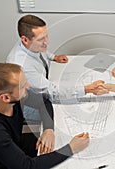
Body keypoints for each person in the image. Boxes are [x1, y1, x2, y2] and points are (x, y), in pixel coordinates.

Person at [6, 14, 106, 155]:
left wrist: (54, 57)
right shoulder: (23, 65)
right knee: (68, 116)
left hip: (42, 91)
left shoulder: (28, 45)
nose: (47, 42)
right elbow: (52, 92)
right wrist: (87, 89)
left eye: (46, 36)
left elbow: (40, 52)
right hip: (27, 104)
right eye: (41, 39)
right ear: (25, 39)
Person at [0, 63, 90, 169]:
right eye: (23, 86)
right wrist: (71, 149)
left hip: (14, 143)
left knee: (54, 143)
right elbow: (26, 167)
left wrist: (48, 129)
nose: (28, 86)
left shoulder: (8, 98)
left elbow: (43, 101)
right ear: (5, 97)